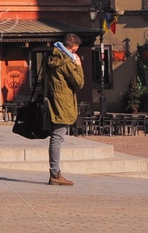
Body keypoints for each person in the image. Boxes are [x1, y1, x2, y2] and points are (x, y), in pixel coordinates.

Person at [44, 33, 85, 186]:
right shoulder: (66, 61)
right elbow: (79, 83)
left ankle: (55, 172)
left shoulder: (51, 56)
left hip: (54, 100)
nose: (76, 53)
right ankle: (55, 173)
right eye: (75, 50)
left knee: (56, 136)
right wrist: (78, 65)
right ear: (71, 48)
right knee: (57, 137)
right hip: (63, 103)